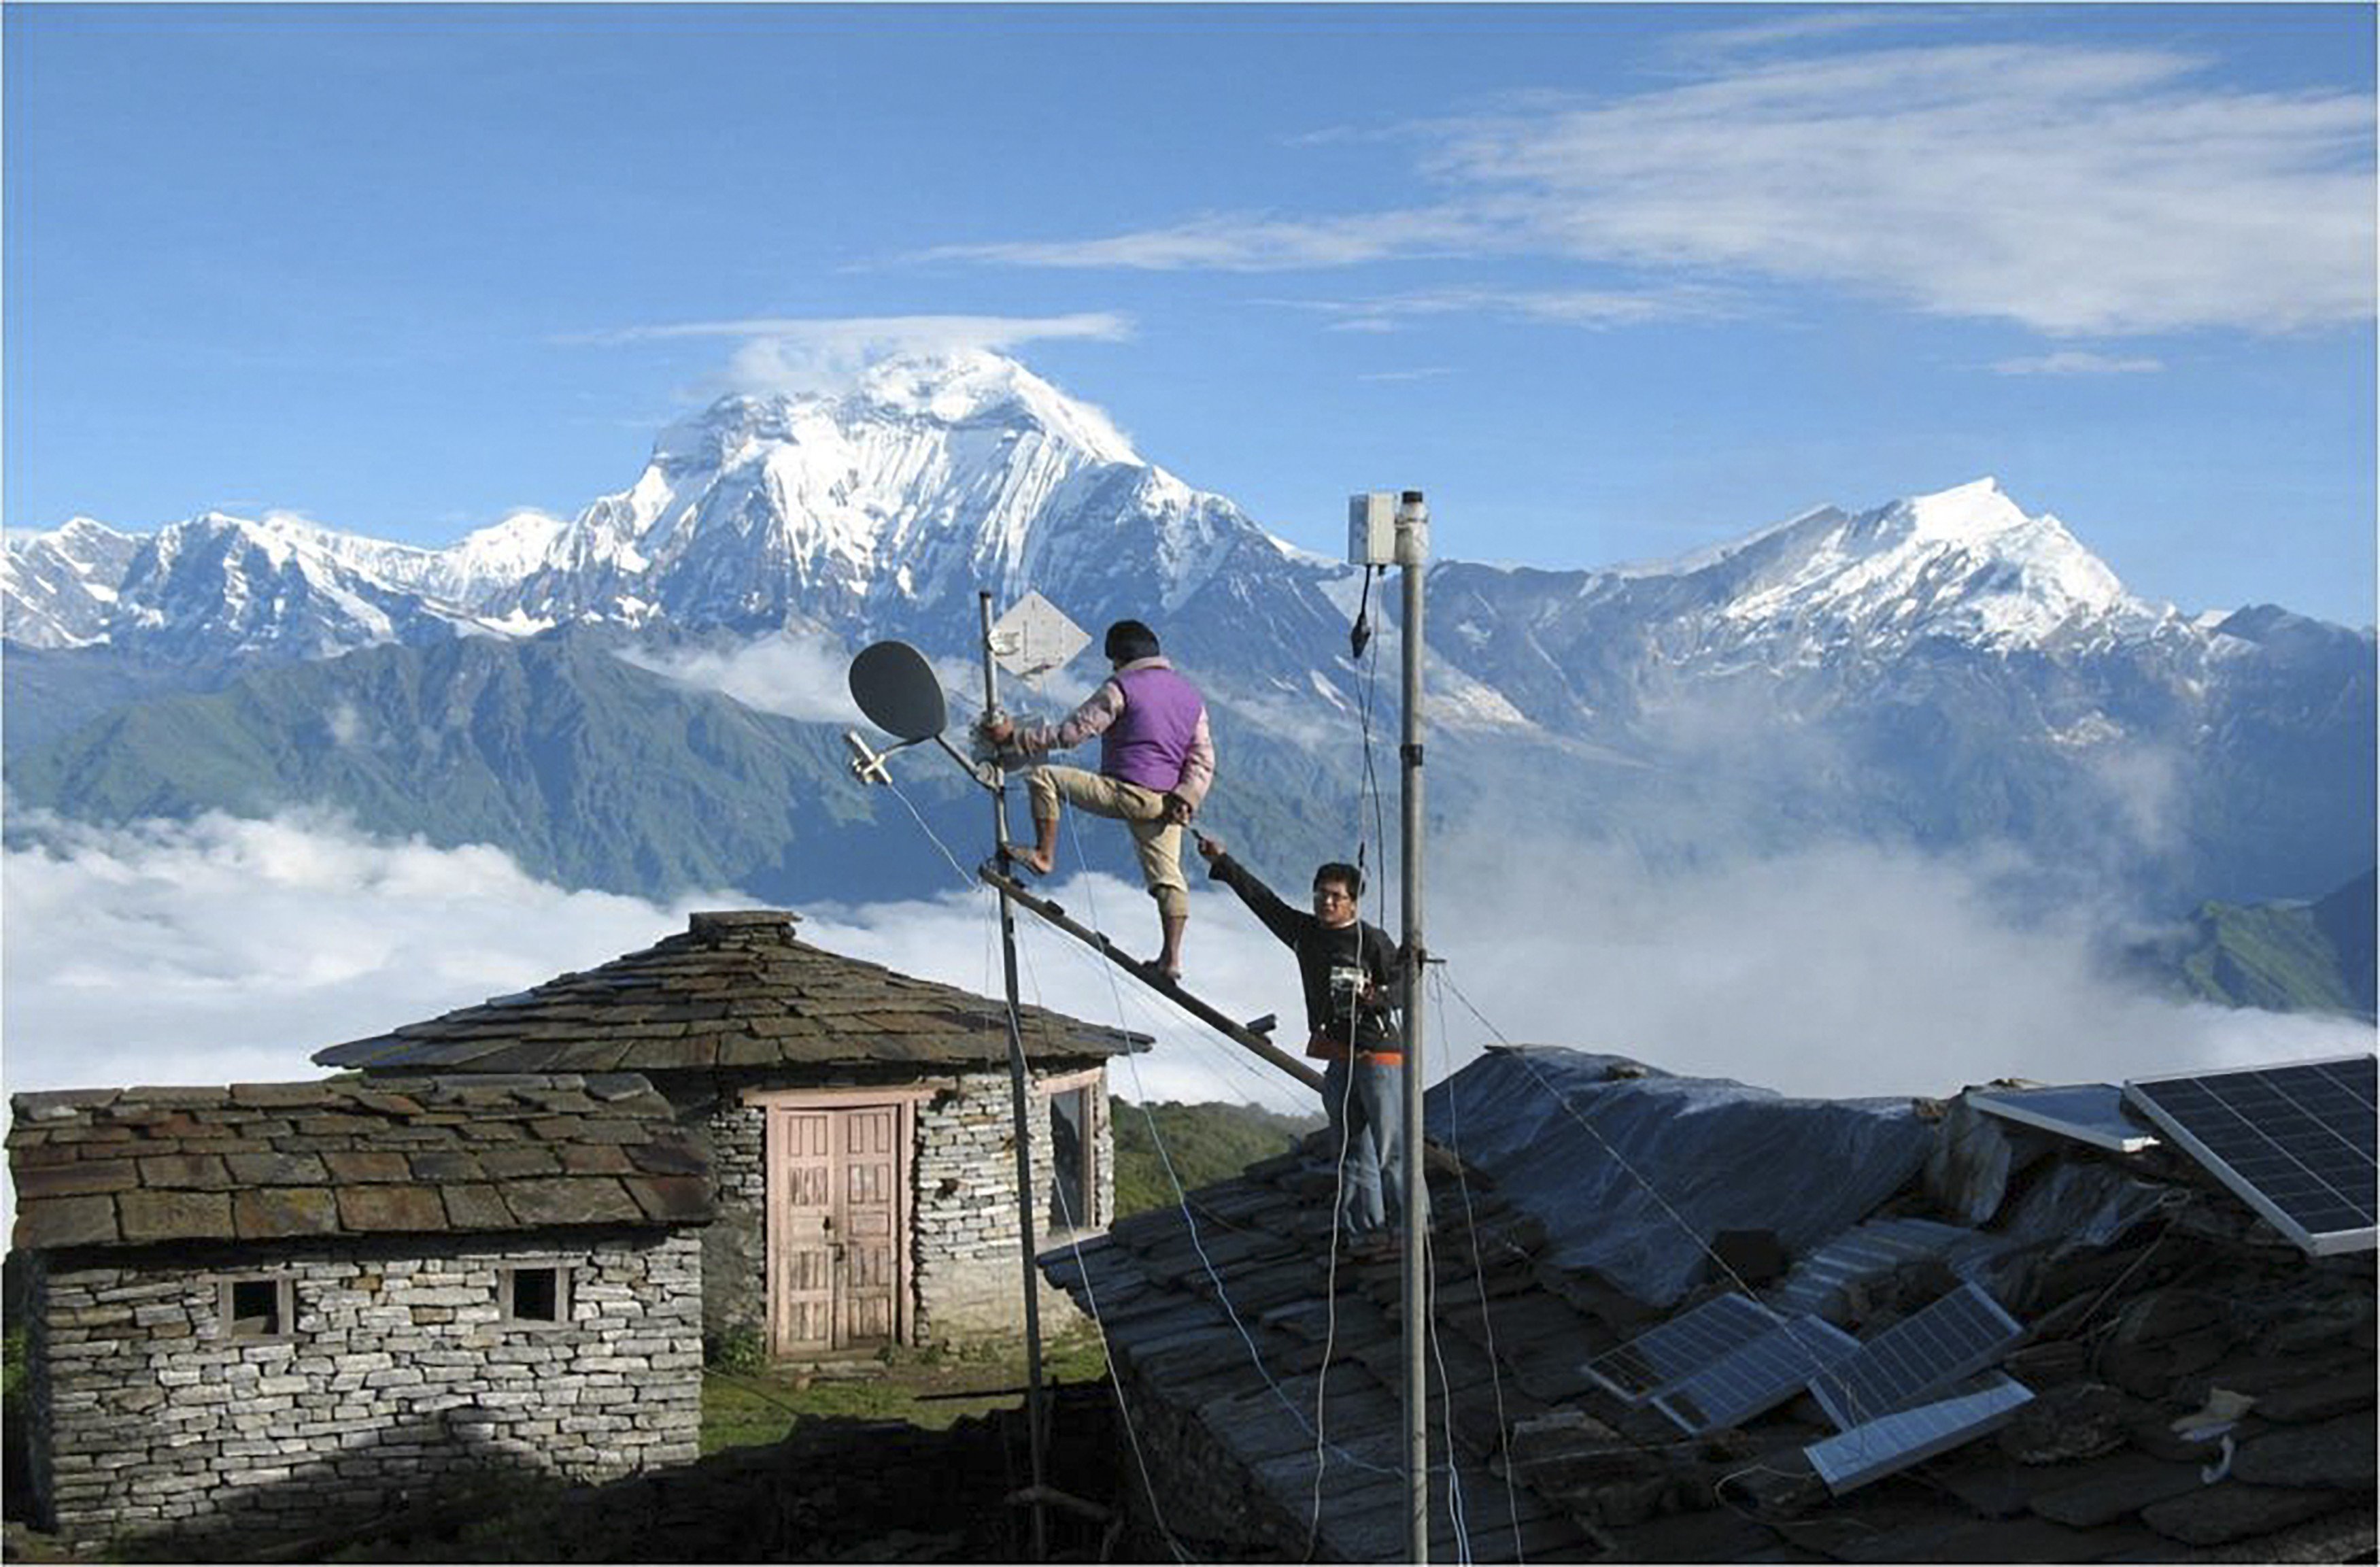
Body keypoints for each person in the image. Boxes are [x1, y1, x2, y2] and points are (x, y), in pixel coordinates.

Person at [1194, 834, 1414, 1256]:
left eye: (1335, 897)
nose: (1325, 903)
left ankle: (1408, 1230)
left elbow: (1405, 983)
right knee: (1351, 1149)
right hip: (1339, 1054)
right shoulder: (1305, 933)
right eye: (1320, 895)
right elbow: (1264, 901)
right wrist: (1223, 862)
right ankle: (1366, 1232)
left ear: (1353, 902)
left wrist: (1379, 997)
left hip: (1379, 1054)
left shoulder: (1372, 941)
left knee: (1392, 1150)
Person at [977, 619, 1214, 979]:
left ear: (1118, 659)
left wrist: (1016, 737)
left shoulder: (1122, 687)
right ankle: (1172, 959)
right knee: (1168, 878)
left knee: (1043, 777)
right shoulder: (1190, 697)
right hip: (1167, 803)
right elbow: (1202, 758)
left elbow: (1073, 733)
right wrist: (1188, 796)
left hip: (1126, 791)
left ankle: (1044, 855)